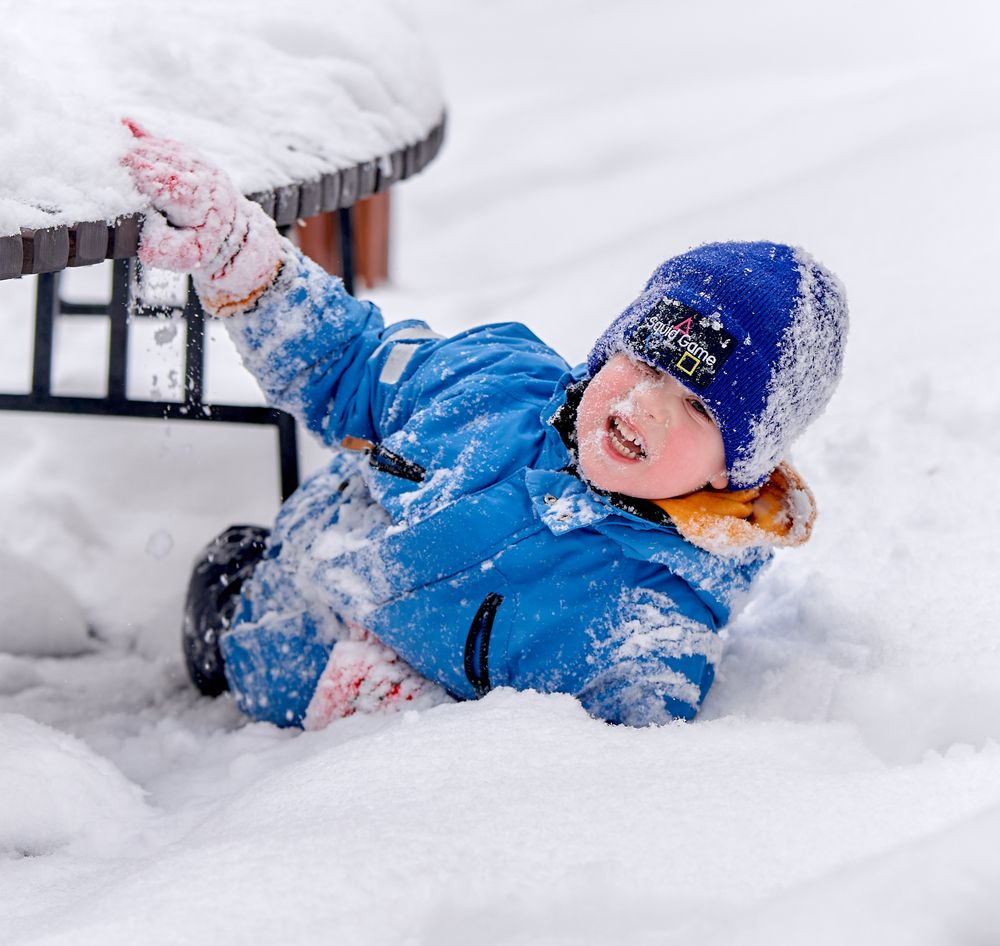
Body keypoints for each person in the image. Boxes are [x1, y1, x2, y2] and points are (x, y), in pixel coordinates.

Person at [122, 123, 848, 730]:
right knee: (226, 561)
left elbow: (581, 791)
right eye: (643, 362)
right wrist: (244, 259)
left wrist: (418, 711)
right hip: (262, 582)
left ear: (734, 467)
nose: (645, 404)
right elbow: (346, 359)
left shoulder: (649, 631)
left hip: (301, 752)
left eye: (697, 407)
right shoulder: (489, 378)